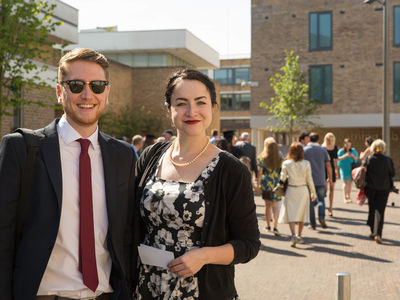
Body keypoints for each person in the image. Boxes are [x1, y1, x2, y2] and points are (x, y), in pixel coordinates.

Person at [0, 48, 136, 299]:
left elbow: (127, 235)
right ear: (59, 92)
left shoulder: (123, 156)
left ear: (107, 92)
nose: (87, 94)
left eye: (97, 85)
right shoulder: (21, 149)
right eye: (75, 85)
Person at [133, 69, 260, 299]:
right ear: (169, 108)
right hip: (146, 288)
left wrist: (204, 256)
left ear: (213, 107)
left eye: (200, 102)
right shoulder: (150, 156)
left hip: (202, 291)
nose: (191, 112)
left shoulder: (231, 170)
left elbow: (249, 244)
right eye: (181, 103)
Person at [278, 142, 316, 247]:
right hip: (303, 190)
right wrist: (313, 192)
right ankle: (299, 235)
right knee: (302, 214)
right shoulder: (306, 163)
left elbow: (282, 178)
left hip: (291, 190)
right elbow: (310, 179)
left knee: (291, 214)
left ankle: (293, 235)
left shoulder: (286, 163)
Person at [364, 139, 395, 244]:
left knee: (372, 208)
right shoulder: (388, 160)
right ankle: (378, 234)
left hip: (370, 188)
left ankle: (373, 231)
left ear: (373, 148)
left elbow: (363, 171)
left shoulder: (369, 159)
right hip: (384, 188)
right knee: (380, 211)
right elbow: (393, 173)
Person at [304, 133, 332, 229]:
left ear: (309, 140)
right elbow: (328, 165)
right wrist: (330, 178)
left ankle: (312, 223)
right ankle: (321, 217)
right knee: (321, 199)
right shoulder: (323, 150)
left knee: (310, 202)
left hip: (308, 180)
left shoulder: (305, 150)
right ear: (318, 140)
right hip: (321, 179)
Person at [257, 138, 282, 235]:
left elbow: (260, 173)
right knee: (275, 206)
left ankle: (268, 225)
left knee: (267, 206)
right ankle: (275, 227)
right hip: (277, 184)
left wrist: (258, 185)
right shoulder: (280, 158)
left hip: (266, 184)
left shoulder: (262, 157)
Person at [321, 132, 339, 216]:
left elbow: (335, 160)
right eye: (328, 139)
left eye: (331, 139)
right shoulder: (322, 147)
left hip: (331, 167)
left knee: (332, 189)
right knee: (324, 190)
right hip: (323, 168)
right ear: (326, 139)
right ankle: (322, 206)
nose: (330, 141)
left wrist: (336, 170)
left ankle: (331, 208)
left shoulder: (335, 148)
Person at [337, 138, 359, 203]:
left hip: (351, 167)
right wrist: (345, 156)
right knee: (345, 182)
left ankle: (348, 196)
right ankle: (344, 197)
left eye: (349, 144)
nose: (348, 146)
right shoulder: (341, 151)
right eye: (347, 144)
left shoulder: (353, 150)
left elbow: (356, 159)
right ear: (344, 144)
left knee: (350, 183)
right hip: (343, 167)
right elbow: (338, 159)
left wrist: (352, 155)